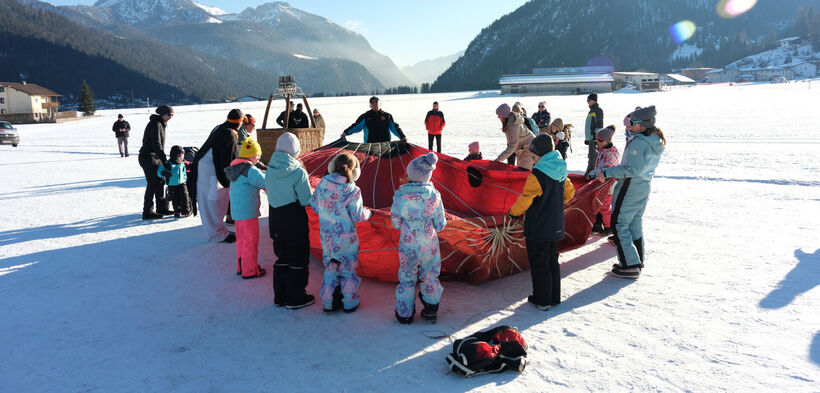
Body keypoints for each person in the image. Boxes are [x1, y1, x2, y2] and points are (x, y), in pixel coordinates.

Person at [589, 106, 665, 279]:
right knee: (634, 223)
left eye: (632, 123)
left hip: (631, 186)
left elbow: (632, 169)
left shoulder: (639, 142)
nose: (629, 126)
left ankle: (629, 264)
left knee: (619, 223)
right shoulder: (653, 140)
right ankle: (637, 259)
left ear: (642, 124)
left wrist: (607, 173)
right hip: (643, 186)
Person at [507, 134, 567, 310]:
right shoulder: (561, 170)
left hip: (539, 227)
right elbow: (568, 192)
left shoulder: (537, 175)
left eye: (533, 156)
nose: (532, 159)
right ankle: (554, 296)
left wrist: (513, 212)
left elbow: (526, 199)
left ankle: (542, 299)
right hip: (555, 224)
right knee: (552, 261)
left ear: (539, 155)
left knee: (540, 264)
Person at [310, 153, 371, 313]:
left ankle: (328, 302)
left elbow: (314, 205)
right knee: (347, 270)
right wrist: (368, 214)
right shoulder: (353, 190)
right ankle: (350, 302)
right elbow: (357, 216)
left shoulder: (322, 184)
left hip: (327, 238)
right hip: (346, 240)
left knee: (331, 268)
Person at [391, 153, 447, 324]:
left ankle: (404, 314)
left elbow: (395, 221)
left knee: (407, 278)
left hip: (408, 245)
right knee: (430, 276)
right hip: (429, 245)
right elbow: (440, 224)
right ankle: (431, 309)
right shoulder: (434, 196)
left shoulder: (400, 196)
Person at [265, 133, 315, 309]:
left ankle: (280, 296)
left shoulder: (269, 169)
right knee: (298, 260)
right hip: (294, 221)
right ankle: (295, 297)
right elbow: (305, 200)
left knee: (282, 258)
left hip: (276, 221)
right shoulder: (298, 172)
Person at [192, 109, 242, 243]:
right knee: (213, 201)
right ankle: (217, 234)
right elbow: (228, 159)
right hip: (210, 169)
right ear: (239, 123)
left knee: (213, 200)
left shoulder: (220, 128)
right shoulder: (229, 133)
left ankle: (218, 231)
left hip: (205, 167)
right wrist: (229, 179)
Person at [225, 138, 267, 279]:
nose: (259, 157)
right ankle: (250, 270)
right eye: (258, 155)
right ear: (252, 155)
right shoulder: (249, 170)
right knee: (250, 241)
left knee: (242, 241)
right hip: (248, 213)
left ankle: (242, 266)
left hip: (238, 212)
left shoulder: (236, 168)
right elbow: (264, 182)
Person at [138, 105, 173, 220]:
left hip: (154, 157)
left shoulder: (160, 123)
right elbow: (156, 144)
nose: (170, 117)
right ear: (163, 114)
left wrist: (162, 160)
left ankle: (161, 208)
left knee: (160, 181)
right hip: (148, 157)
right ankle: (147, 212)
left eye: (172, 115)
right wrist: (164, 160)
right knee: (153, 183)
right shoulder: (155, 124)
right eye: (169, 115)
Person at [589, 126, 620, 235]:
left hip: (608, 184)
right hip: (600, 182)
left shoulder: (611, 153)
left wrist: (597, 172)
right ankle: (597, 224)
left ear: (608, 140)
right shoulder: (602, 150)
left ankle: (609, 226)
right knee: (596, 203)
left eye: (600, 140)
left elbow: (609, 169)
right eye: (597, 140)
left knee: (605, 206)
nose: (598, 142)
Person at [341, 96, 407, 143]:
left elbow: (395, 128)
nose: (375, 103)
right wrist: (345, 132)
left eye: (376, 102)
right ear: (370, 105)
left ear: (380, 103)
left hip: (385, 145)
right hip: (370, 146)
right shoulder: (366, 116)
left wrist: (403, 137)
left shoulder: (387, 116)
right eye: (372, 102)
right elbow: (356, 126)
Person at [494, 103, 535, 170]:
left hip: (527, 150)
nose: (498, 117)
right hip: (523, 150)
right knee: (521, 172)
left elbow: (512, 147)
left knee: (524, 174)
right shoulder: (510, 123)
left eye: (499, 115)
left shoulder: (513, 126)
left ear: (504, 115)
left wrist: (499, 159)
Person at [157, 145, 191, 218]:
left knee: (185, 197)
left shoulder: (182, 163)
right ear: (174, 156)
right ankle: (177, 211)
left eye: (182, 157)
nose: (181, 159)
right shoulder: (168, 164)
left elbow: (188, 167)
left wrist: (191, 166)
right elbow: (159, 172)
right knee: (175, 198)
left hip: (182, 183)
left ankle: (185, 211)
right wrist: (164, 173)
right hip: (172, 185)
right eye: (179, 157)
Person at [584, 93, 604, 176]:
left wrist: (596, 137)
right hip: (591, 138)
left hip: (594, 138)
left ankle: (592, 174)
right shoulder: (592, 110)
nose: (587, 102)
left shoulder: (598, 110)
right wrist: (588, 138)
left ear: (594, 101)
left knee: (594, 157)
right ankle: (589, 173)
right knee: (591, 156)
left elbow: (599, 124)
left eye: (589, 100)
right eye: (587, 101)